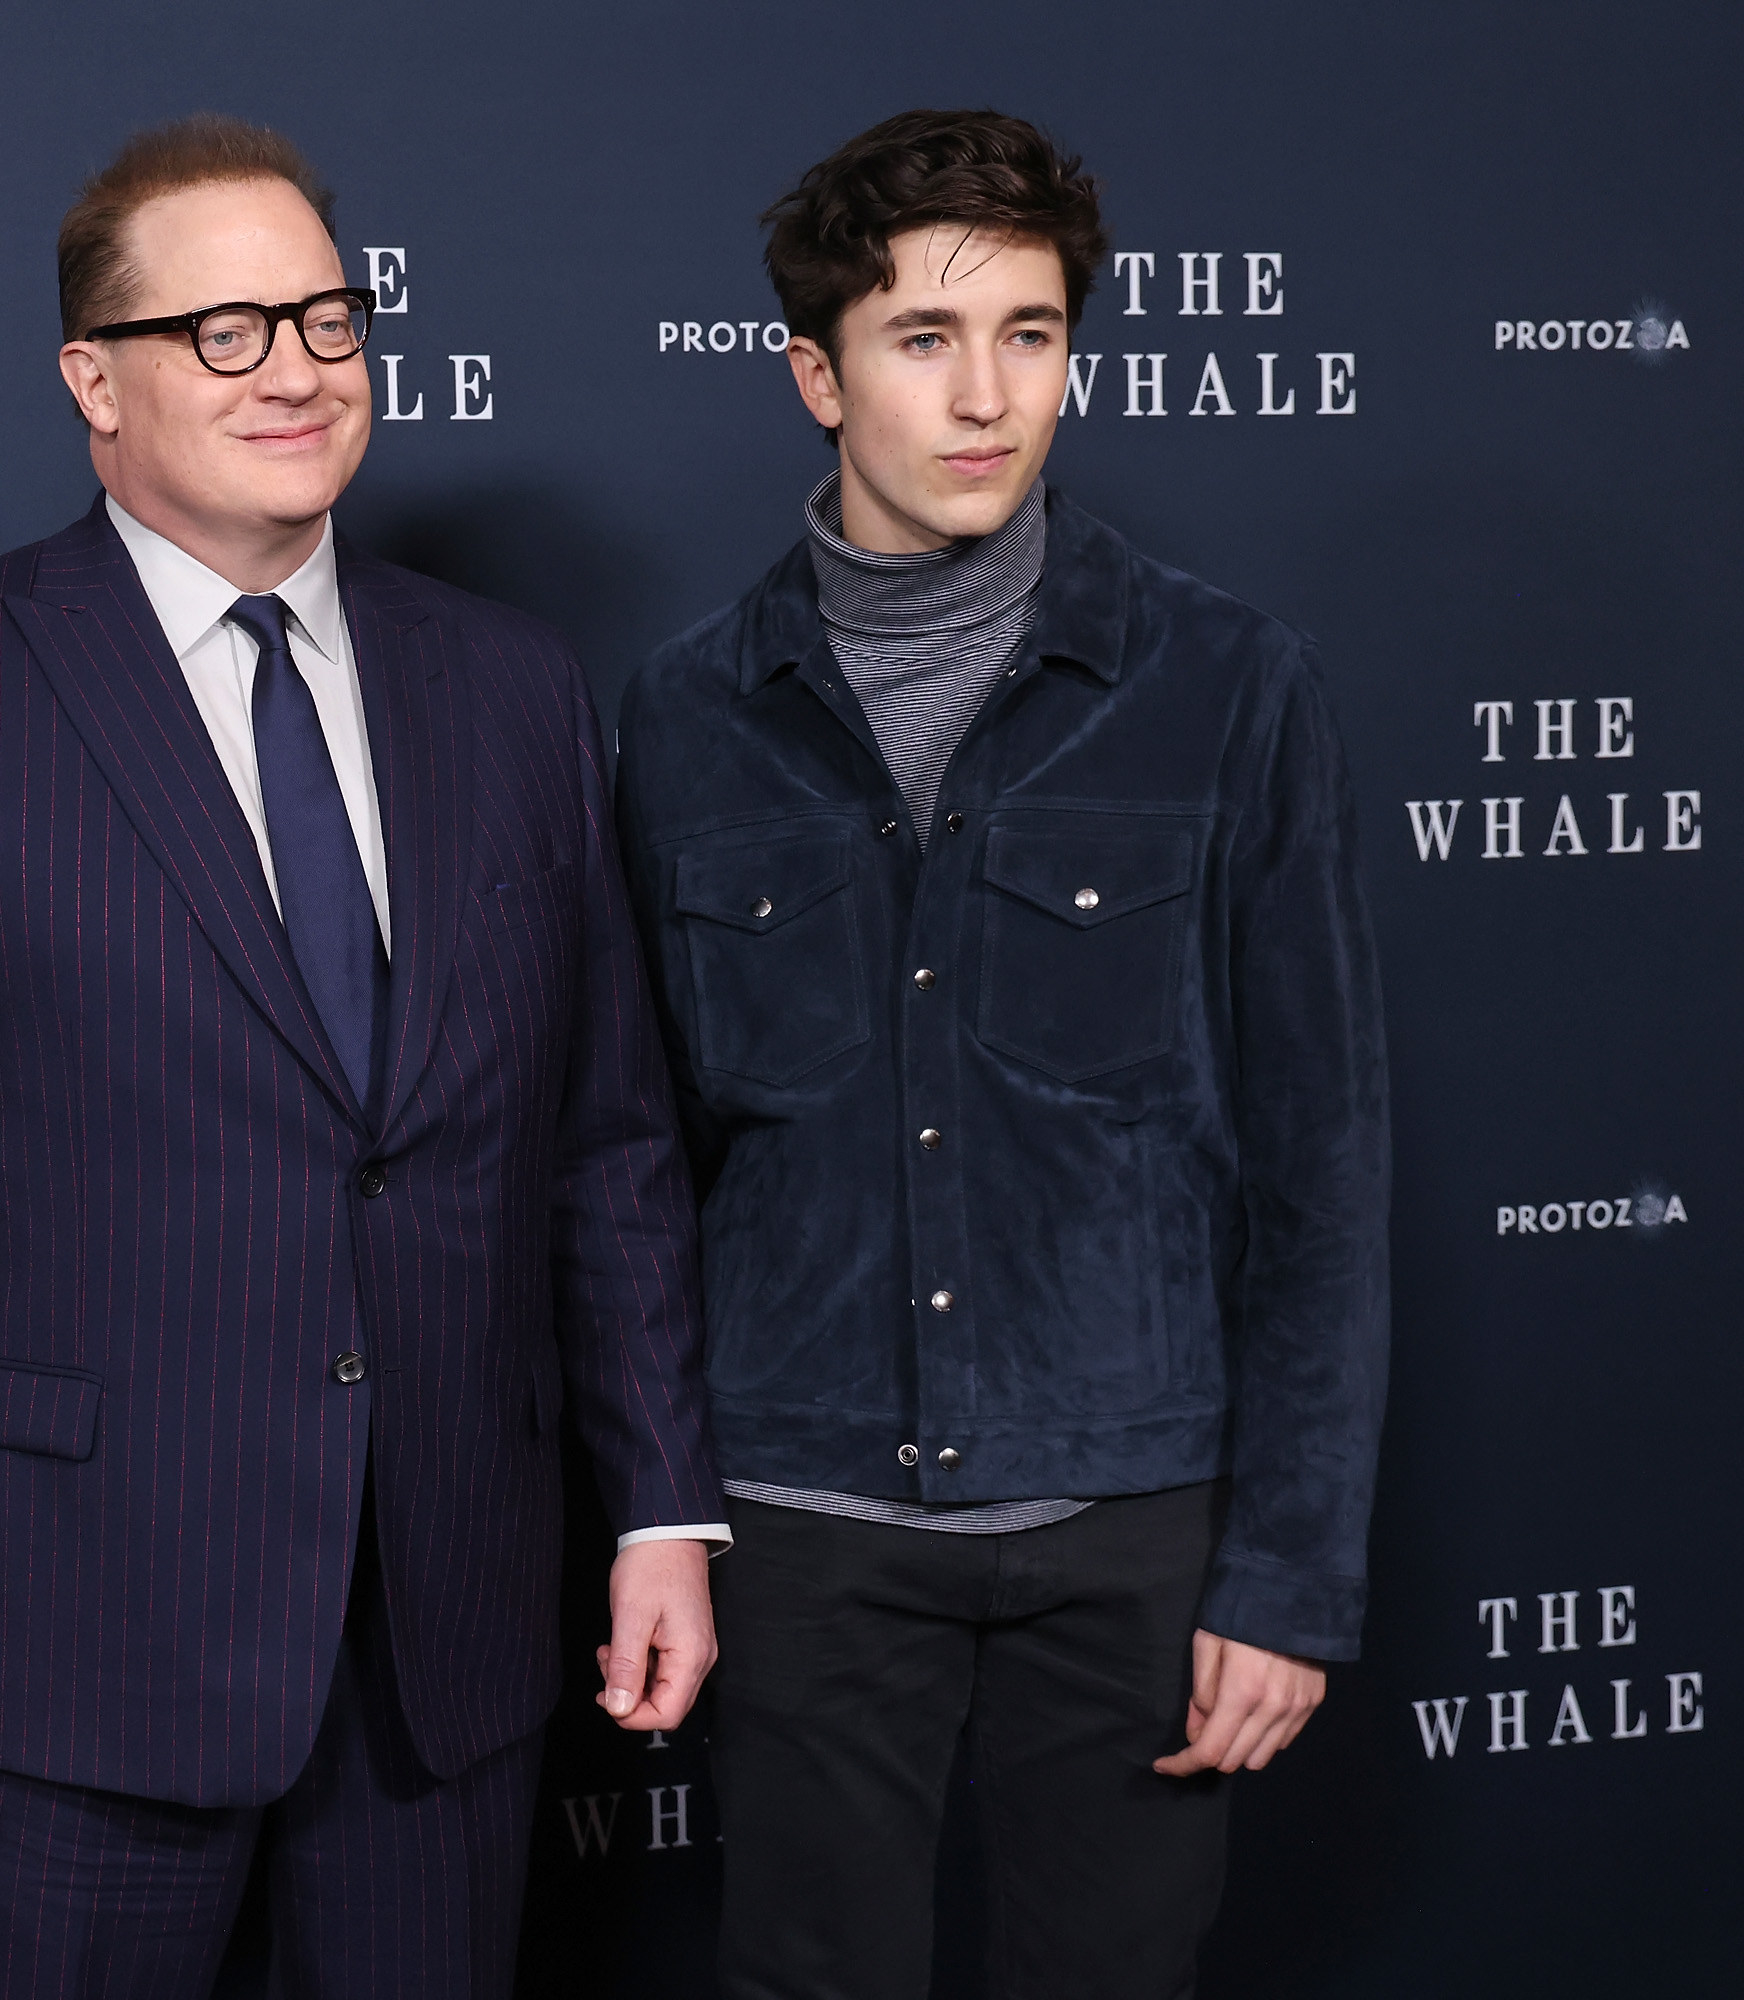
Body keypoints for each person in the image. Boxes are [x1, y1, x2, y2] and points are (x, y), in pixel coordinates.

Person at [0, 114, 724, 1999]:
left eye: (327, 316)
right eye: (225, 329)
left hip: (446, 1629)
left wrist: (663, 1500)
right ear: (90, 381)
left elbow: (606, 1144)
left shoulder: (512, 685)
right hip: (67, 1638)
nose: (296, 366)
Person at [615, 109, 1392, 1998]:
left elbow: (1324, 1168)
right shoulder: (688, 716)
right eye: (923, 338)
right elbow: (631, 1166)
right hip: (800, 1536)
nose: (987, 396)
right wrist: (662, 1513)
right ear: (816, 371)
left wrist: (1286, 1576)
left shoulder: (1230, 686)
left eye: (1030, 336)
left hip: (1133, 1532)